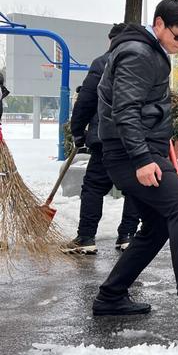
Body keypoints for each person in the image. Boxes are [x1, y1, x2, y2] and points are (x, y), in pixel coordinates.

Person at [93, 0, 178, 321]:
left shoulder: (149, 52)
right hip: (130, 154)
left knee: (155, 227)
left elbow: (143, 105)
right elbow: (125, 110)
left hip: (142, 149)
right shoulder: (139, 54)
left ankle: (111, 296)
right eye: (177, 36)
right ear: (159, 25)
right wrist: (140, 159)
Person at [62, 23, 140, 255]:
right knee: (134, 189)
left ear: (112, 40)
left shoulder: (102, 62)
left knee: (95, 187)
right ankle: (127, 235)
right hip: (135, 138)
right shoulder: (144, 62)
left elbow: (86, 99)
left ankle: (86, 237)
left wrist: (77, 131)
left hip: (106, 137)